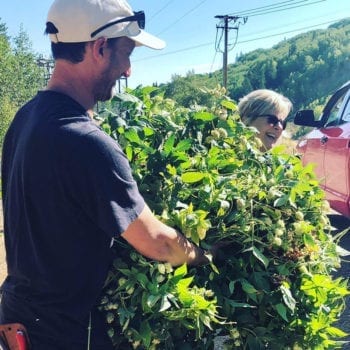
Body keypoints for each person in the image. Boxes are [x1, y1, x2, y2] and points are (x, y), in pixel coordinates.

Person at [0, 0, 209, 349]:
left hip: (20, 315)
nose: (128, 70)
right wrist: (206, 255)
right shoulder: (87, 142)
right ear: (99, 47)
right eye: (126, 53)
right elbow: (157, 243)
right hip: (64, 332)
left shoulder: (26, 119)